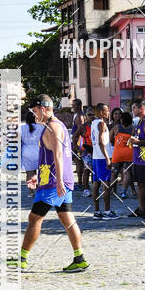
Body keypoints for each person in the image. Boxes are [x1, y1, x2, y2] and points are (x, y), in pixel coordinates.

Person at [9, 94, 88, 273]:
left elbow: (58, 155)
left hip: (54, 183)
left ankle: (22, 259)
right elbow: (49, 158)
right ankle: (79, 258)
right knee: (67, 217)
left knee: (34, 218)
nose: (34, 114)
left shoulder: (52, 127)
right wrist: (39, 176)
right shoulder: (54, 126)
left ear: (43, 109)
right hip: (55, 179)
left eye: (35, 111)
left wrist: (58, 180)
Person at [91, 103, 119, 220]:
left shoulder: (93, 123)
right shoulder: (101, 124)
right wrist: (108, 158)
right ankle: (107, 211)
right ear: (102, 112)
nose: (109, 113)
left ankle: (97, 211)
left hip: (95, 157)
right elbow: (101, 142)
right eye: (107, 111)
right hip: (102, 158)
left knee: (96, 184)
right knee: (106, 185)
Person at [20, 109, 40, 194]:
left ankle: (31, 191)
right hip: (38, 151)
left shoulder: (22, 128)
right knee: (40, 172)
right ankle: (39, 189)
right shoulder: (40, 127)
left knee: (29, 173)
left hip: (26, 151)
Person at [70, 99, 86, 191]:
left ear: (79, 105)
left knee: (79, 162)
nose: (73, 107)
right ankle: (81, 183)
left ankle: (80, 183)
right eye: (72, 105)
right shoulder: (79, 115)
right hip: (77, 141)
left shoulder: (80, 116)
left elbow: (81, 129)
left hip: (78, 142)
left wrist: (76, 142)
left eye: (74, 105)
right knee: (78, 162)